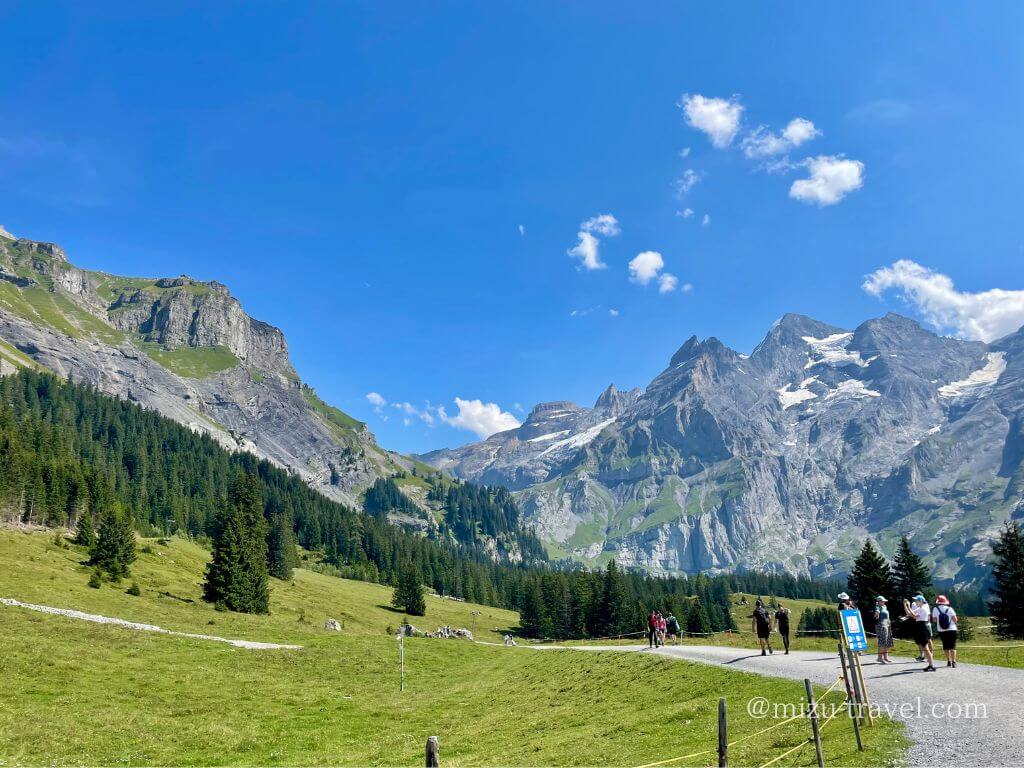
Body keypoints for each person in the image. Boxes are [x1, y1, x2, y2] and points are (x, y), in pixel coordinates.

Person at [902, 594, 936, 672]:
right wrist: (905, 606)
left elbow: (914, 616)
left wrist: (909, 606)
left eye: (916, 600)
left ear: (920, 601)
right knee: (925, 647)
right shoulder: (920, 608)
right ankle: (930, 665)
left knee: (926, 648)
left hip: (922, 627)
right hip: (920, 627)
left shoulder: (923, 609)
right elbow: (909, 614)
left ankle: (931, 665)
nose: (915, 602)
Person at [932, 595, 959, 668]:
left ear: (938, 602)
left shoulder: (935, 609)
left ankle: (948, 661)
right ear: (945, 602)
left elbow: (934, 620)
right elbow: (955, 619)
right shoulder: (950, 609)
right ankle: (954, 662)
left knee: (945, 646)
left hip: (941, 630)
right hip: (952, 629)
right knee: (953, 646)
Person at [873, 596, 894, 664]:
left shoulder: (884, 606)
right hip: (881, 625)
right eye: (882, 601)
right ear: (879, 601)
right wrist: (877, 613)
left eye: (884, 601)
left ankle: (886, 657)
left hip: (887, 624)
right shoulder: (877, 607)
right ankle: (879, 658)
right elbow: (876, 615)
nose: (884, 602)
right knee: (882, 641)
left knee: (887, 641)